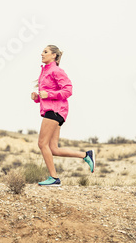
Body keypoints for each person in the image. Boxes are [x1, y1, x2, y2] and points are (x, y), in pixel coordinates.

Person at [31, 45, 95, 186]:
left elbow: (68, 90)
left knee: (42, 144)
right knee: (53, 149)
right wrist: (37, 97)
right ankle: (86, 155)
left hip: (55, 111)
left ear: (54, 55)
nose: (41, 53)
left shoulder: (56, 71)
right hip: (52, 110)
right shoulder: (44, 72)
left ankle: (54, 178)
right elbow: (46, 95)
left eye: (45, 52)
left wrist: (49, 94)